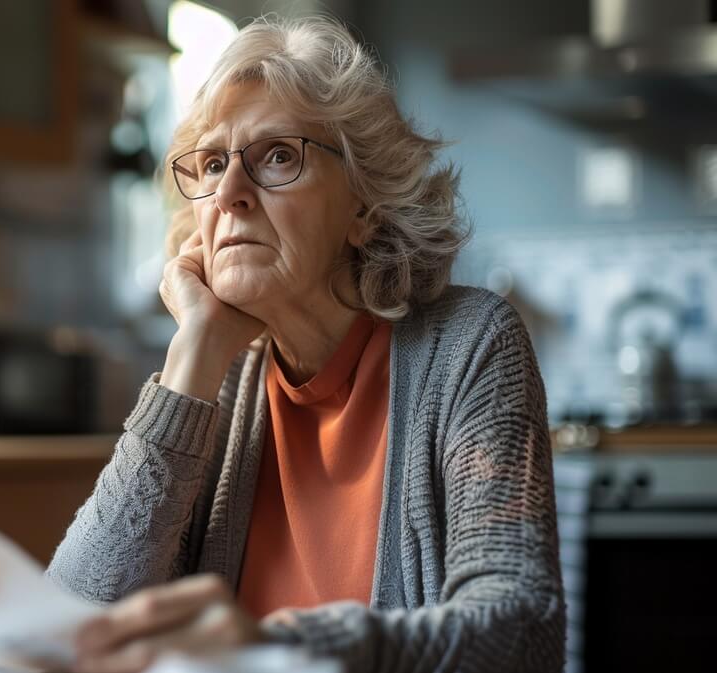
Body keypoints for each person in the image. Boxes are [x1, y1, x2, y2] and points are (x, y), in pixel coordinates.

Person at [47, 15, 565, 673]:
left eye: (277, 157)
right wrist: (195, 352)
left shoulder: (469, 345)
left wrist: (282, 647)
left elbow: (523, 630)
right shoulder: (218, 379)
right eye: (210, 164)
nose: (229, 193)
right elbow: (74, 625)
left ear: (364, 206)